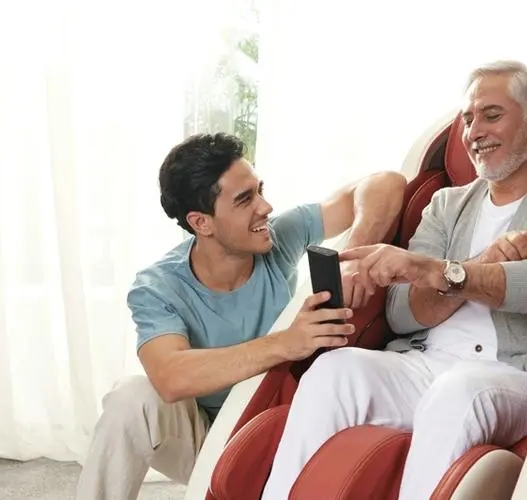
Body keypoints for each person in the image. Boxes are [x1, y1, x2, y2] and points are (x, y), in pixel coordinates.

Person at [261, 60, 527, 500]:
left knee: (457, 393)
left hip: (514, 374)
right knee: (334, 371)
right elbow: (402, 312)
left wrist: (438, 271)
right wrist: (480, 264)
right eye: (468, 119)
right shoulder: (447, 205)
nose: (475, 132)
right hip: (426, 362)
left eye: (492, 115)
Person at [74, 132, 407, 500]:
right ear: (201, 223)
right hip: (210, 441)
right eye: (245, 199)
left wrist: (353, 257)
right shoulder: (158, 286)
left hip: (286, 430)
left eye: (259, 190)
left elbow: (386, 184)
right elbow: (170, 376)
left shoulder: (278, 237)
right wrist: (284, 343)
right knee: (130, 397)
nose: (265, 207)